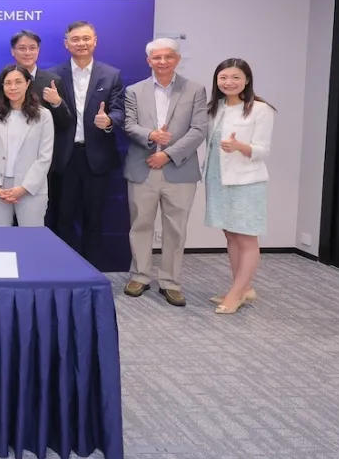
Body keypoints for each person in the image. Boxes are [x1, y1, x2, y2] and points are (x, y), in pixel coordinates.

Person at [122, 39, 207, 307]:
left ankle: (170, 281)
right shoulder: (134, 90)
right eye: (156, 57)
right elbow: (129, 124)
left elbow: (199, 129)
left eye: (167, 57)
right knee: (140, 225)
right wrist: (151, 135)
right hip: (142, 166)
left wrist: (167, 154)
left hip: (179, 169)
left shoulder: (195, 90)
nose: (162, 62)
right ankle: (140, 276)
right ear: (148, 61)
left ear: (177, 59)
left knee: (175, 229)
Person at [48, 21, 125, 267]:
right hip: (64, 157)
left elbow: (120, 111)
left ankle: (91, 269)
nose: (81, 43)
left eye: (86, 38)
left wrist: (110, 120)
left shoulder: (111, 74)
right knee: (63, 217)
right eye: (75, 39)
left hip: (97, 157)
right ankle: (64, 269)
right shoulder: (52, 75)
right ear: (66, 43)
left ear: (95, 41)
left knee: (94, 219)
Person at [203, 58, 275, 314]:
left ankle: (237, 293)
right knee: (231, 234)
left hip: (246, 180)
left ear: (246, 80)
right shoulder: (215, 107)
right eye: (223, 77)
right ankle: (242, 288)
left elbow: (263, 150)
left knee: (246, 237)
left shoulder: (260, 109)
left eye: (235, 77)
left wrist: (240, 147)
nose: (229, 82)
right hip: (217, 177)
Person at [8, 30, 73, 226]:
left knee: (41, 217)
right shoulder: (5, 79)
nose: (27, 52)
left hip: (42, 162)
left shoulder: (53, 81)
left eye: (32, 48)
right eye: (22, 48)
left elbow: (66, 123)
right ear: (13, 52)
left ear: (38, 51)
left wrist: (57, 103)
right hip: (10, 161)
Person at [0, 65, 54, 227]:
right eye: (8, 83)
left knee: (31, 241)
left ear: (27, 84)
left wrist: (24, 188)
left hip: (31, 188)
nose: (13, 87)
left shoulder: (43, 115)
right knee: (0, 241)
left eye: (18, 82)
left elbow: (44, 157)